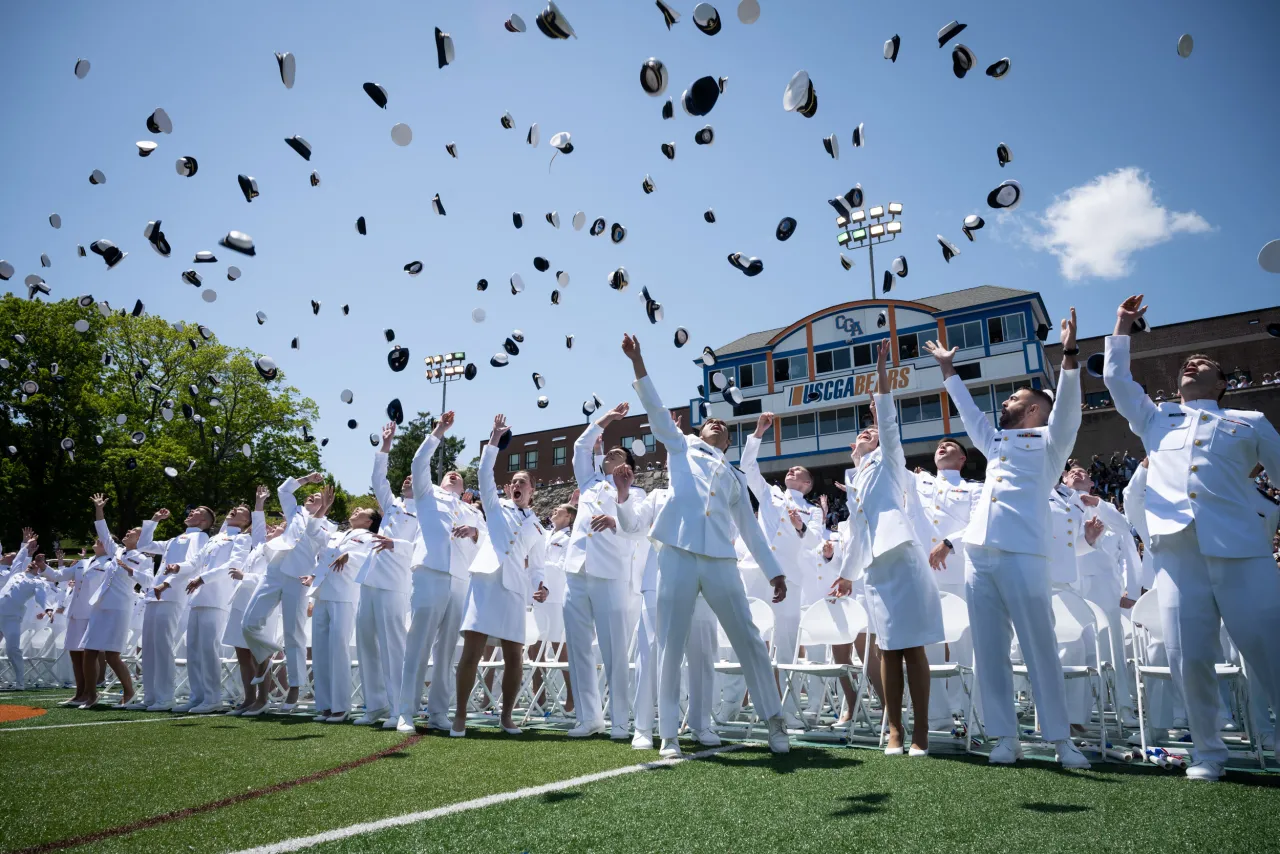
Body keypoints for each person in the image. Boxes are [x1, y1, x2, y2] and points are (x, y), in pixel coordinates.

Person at [1104, 294, 1280, 781]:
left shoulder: (1250, 422)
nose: (1192, 363)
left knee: (1269, 649)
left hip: (1243, 550)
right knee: (1190, 656)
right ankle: (1208, 753)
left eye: (1204, 362)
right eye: (1186, 363)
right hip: (1177, 555)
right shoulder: (1156, 418)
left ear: (1223, 384)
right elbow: (1118, 381)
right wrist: (1121, 326)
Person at [924, 308, 1092, 768]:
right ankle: (1005, 738)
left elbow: (1071, 409)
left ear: (1035, 408)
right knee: (990, 651)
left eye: (1016, 397)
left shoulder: (1052, 440)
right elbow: (967, 410)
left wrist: (1070, 354)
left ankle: (1061, 741)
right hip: (981, 553)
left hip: (1024, 552)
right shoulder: (995, 440)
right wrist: (947, 370)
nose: (1007, 402)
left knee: (1039, 646)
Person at [616, 332, 791, 759]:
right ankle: (669, 735)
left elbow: (750, 529)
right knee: (670, 644)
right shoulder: (682, 448)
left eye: (725, 427)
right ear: (698, 429)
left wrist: (774, 570)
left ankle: (775, 723)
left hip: (720, 561)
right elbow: (657, 414)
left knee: (748, 638)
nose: (718, 425)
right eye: (712, 422)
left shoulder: (731, 476)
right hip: (675, 552)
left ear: (729, 442)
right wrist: (638, 362)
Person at [831, 341, 944, 756]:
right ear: (852, 449)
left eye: (871, 432)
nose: (867, 435)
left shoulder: (890, 460)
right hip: (876, 568)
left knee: (911, 645)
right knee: (886, 647)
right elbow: (859, 534)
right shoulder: (856, 479)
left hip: (904, 561)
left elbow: (890, 423)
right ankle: (895, 728)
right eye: (861, 434)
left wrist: (881, 373)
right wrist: (847, 573)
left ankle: (922, 731)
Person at [451, 414, 548, 737]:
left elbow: (536, 566)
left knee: (514, 656)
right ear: (508, 488)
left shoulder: (537, 526)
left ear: (533, 489)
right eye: (514, 481)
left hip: (515, 589)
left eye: (524, 482)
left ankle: (506, 717)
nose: (518, 485)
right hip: (486, 582)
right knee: (473, 651)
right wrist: (494, 439)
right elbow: (482, 472)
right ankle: (461, 716)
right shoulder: (494, 507)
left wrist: (540, 586)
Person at [394, 411, 486, 734]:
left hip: (460, 579)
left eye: (457, 476)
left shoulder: (472, 511)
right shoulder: (427, 493)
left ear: (463, 488)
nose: (451, 475)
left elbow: (486, 542)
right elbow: (419, 463)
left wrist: (474, 534)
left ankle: (438, 712)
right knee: (417, 644)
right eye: (447, 474)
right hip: (430, 572)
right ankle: (405, 711)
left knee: (447, 651)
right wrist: (438, 432)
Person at [562, 404, 647, 739]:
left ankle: (621, 721)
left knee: (613, 649)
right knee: (579, 645)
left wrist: (620, 504)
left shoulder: (637, 493)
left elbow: (638, 529)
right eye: (607, 452)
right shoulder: (590, 481)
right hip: (576, 569)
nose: (608, 455)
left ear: (627, 465)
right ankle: (589, 718)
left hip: (610, 573)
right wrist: (607, 419)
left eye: (615, 454)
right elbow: (580, 447)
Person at [625, 455, 720, 750]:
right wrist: (622, 493)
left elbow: (726, 533)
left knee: (701, 655)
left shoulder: (712, 494)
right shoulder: (658, 496)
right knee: (650, 654)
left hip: (702, 584)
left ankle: (701, 724)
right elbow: (631, 525)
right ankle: (643, 725)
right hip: (659, 582)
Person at [739, 412, 825, 728]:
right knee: (749, 638)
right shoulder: (770, 494)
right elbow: (748, 470)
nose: (791, 470)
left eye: (798, 471)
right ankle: (735, 705)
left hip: (789, 578)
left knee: (786, 643)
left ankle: (787, 709)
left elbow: (816, 539)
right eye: (791, 469)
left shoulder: (812, 510)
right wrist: (758, 433)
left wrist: (802, 526)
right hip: (756, 571)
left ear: (807, 484)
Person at [1062, 465, 1142, 727]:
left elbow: (1128, 544)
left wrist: (1132, 587)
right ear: (1063, 480)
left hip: (1105, 585)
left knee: (1113, 647)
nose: (1077, 473)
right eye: (1071, 472)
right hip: (1071, 582)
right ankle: (1077, 715)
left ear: (1092, 483)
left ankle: (1123, 707)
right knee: (1076, 647)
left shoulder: (1104, 508)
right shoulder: (1058, 504)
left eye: (1083, 472)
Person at [241, 478, 330, 714]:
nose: (311, 495)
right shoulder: (296, 512)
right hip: (274, 571)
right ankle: (269, 652)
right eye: (309, 494)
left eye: (317, 495)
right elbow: (283, 489)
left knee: (294, 634)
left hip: (300, 579)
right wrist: (308, 479)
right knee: (249, 624)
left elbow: (326, 554)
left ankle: (295, 686)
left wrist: (314, 578)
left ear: (327, 502)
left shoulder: (329, 526)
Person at [352, 424, 418, 726]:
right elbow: (378, 479)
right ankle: (375, 706)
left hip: (395, 582)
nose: (407, 479)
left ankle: (397, 709)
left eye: (414, 477)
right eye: (406, 477)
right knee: (366, 642)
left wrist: (398, 544)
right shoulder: (394, 505)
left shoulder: (429, 509)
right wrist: (386, 444)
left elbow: (422, 546)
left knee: (394, 647)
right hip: (371, 579)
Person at [915, 439, 981, 731]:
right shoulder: (919, 484)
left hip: (957, 573)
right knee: (928, 648)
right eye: (939, 445)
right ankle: (936, 717)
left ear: (963, 458)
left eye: (950, 445)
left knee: (964, 648)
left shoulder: (974, 489)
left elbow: (980, 523)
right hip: (923, 575)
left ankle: (972, 715)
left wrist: (949, 542)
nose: (942, 446)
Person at [136, 506, 213, 711]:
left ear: (204, 522)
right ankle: (150, 696)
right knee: (149, 647)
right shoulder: (174, 539)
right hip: (156, 593)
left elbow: (191, 564)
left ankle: (165, 697)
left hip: (173, 593)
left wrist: (167, 583)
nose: (191, 512)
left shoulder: (200, 538)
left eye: (197, 512)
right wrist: (154, 520)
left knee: (162, 646)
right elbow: (144, 544)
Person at [182, 503, 257, 713]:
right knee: (193, 649)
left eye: (241, 510)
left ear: (246, 521)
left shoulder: (242, 538)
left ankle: (212, 697)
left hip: (217, 597)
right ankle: (197, 695)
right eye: (233, 507)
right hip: (197, 596)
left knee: (208, 650)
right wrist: (178, 568)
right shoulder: (215, 538)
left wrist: (203, 578)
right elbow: (196, 561)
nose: (234, 509)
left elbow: (233, 565)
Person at [308, 501, 377, 723]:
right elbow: (313, 535)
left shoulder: (369, 537)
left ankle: (341, 706)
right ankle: (325, 706)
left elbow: (369, 559)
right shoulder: (337, 534)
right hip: (322, 594)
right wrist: (313, 580)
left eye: (362, 511)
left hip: (345, 595)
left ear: (369, 521)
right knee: (320, 651)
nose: (356, 510)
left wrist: (351, 556)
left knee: (338, 649)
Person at [82, 494, 149, 708]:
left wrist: (131, 570)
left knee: (112, 655)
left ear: (140, 539)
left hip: (120, 608)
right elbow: (102, 531)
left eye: (133, 532)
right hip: (101, 605)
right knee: (89, 651)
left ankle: (129, 692)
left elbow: (149, 581)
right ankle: (90, 695)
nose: (128, 532)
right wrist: (99, 509)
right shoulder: (117, 551)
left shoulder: (143, 558)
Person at [221, 487, 272, 716]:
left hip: (261, 602)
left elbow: (272, 578)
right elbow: (258, 529)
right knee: (241, 653)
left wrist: (246, 576)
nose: (270, 529)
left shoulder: (279, 549)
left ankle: (263, 699)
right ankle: (248, 699)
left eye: (276, 527)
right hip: (242, 601)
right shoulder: (259, 546)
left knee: (259, 654)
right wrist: (258, 503)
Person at [43, 537, 108, 708]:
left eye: (102, 540)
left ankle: (91, 693)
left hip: (93, 613)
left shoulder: (111, 563)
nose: (98, 541)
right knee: (75, 654)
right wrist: (43, 566)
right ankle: (80, 693)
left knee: (89, 656)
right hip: (75, 613)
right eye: (97, 539)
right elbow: (58, 575)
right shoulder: (83, 563)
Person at [530, 503, 575, 714]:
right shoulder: (545, 534)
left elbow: (562, 567)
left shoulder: (569, 539)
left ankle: (572, 696)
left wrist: (538, 565)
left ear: (569, 517)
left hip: (555, 597)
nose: (554, 510)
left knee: (559, 647)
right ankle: (538, 695)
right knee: (534, 646)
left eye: (560, 509)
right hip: (538, 596)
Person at [0, 532, 50, 689]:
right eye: (32, 562)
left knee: (12, 650)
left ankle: (20, 682)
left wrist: (48, 608)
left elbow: (41, 597)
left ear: (39, 569)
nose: (32, 564)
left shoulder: (37, 582)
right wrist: (27, 544)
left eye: (36, 563)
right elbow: (19, 558)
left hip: (12, 618)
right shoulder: (16, 573)